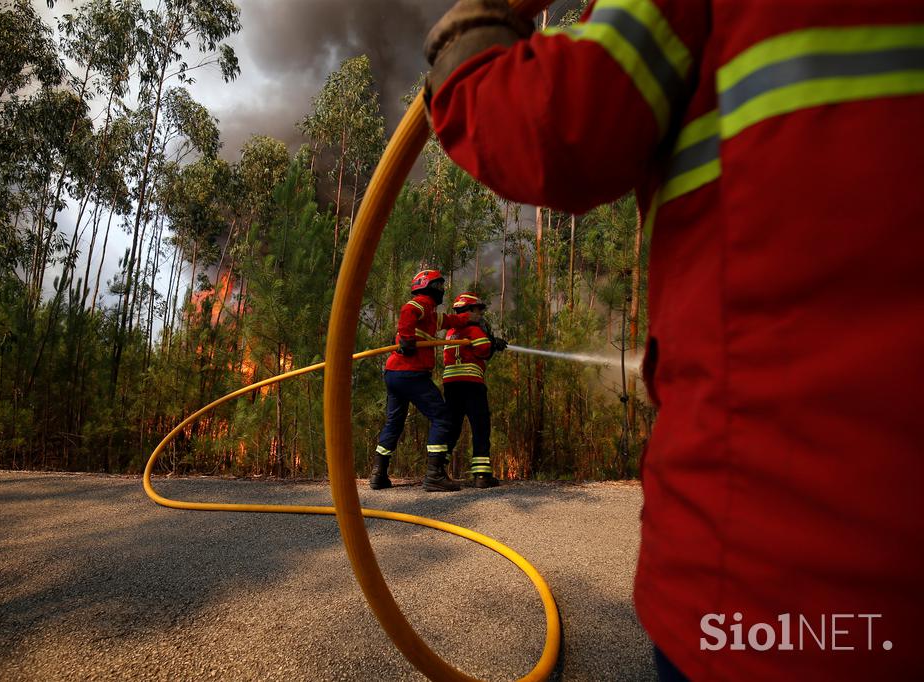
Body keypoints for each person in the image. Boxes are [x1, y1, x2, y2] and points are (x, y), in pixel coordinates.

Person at [423, 0, 924, 679]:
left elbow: (555, 123)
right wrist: (489, 348)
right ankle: (439, 471)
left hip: (758, 567)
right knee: (454, 427)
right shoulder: (458, 327)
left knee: (450, 429)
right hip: (839, 550)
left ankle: (435, 473)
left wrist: (474, 29)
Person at [372, 269, 479, 492]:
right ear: (427, 286)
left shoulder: (430, 314)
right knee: (442, 416)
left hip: (394, 374)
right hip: (411, 373)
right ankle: (434, 476)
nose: (442, 291)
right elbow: (407, 311)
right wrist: (408, 339)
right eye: (439, 286)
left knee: (394, 423)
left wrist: (468, 318)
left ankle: (378, 475)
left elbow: (448, 320)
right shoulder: (420, 304)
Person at [443, 293, 508, 488]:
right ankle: (481, 475)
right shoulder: (473, 329)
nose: (480, 315)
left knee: (452, 428)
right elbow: (483, 351)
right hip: (471, 383)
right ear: (469, 310)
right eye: (478, 310)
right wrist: (493, 345)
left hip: (451, 384)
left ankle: (437, 468)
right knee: (480, 426)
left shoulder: (450, 332)